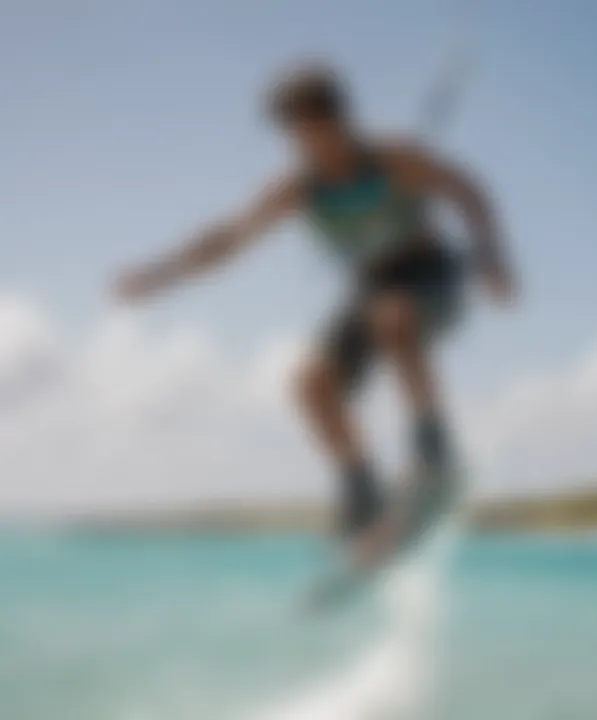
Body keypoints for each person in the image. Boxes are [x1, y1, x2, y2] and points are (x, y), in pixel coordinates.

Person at [114, 64, 517, 556]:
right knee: (309, 384)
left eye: (312, 131)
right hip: (371, 290)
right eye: (294, 136)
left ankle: (433, 453)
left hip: (432, 277)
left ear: (341, 122)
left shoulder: (395, 160)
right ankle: (364, 494)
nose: (306, 147)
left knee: (393, 315)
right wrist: (159, 275)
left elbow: (468, 190)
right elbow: (229, 239)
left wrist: (493, 257)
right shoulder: (299, 188)